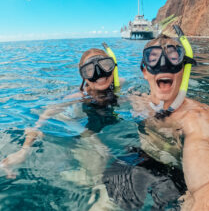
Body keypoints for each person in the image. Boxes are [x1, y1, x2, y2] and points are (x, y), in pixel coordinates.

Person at [129, 26, 209, 210]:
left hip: (174, 178)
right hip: (139, 160)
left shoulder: (196, 116)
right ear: (145, 71)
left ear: (183, 68)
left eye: (173, 57)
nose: (163, 65)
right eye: (154, 58)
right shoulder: (136, 100)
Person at [0, 44, 122, 186]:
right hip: (75, 129)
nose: (99, 74)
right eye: (89, 70)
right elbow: (46, 115)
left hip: (104, 127)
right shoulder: (80, 96)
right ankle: (62, 175)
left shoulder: (121, 86)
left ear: (113, 68)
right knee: (96, 173)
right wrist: (24, 150)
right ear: (84, 77)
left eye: (105, 65)